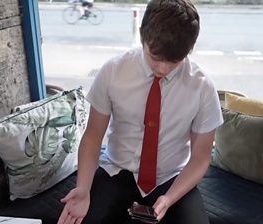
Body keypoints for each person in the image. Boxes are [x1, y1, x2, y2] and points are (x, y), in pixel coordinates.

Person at [58, 0, 223, 223]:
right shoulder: (113, 71)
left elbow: (201, 158)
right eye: (155, 57)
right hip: (117, 171)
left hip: (172, 177)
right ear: (142, 36)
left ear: (189, 49)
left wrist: (168, 199)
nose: (163, 69)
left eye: (174, 61)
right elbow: (93, 136)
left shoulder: (202, 86)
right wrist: (83, 188)